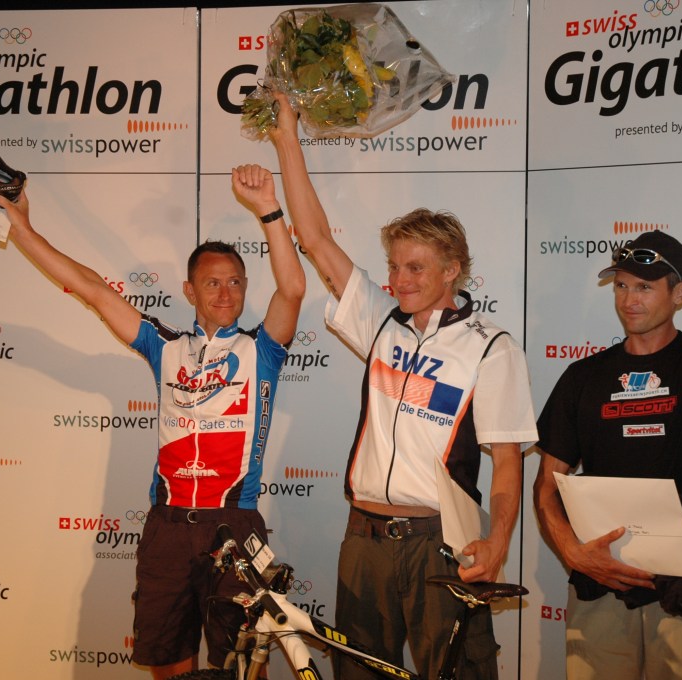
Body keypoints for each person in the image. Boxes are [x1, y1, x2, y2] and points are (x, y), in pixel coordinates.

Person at [263, 92, 538, 680]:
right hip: (363, 538)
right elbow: (314, 238)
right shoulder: (380, 322)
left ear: (451, 270)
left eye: (415, 268)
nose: (399, 280)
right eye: (393, 266)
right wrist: (287, 134)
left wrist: (498, 540)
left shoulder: (492, 347)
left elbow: (507, 461)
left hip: (438, 540)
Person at [0, 164, 305, 679]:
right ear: (189, 291)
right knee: (167, 663)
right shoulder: (165, 347)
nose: (225, 294)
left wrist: (269, 209)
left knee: (244, 667)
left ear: (246, 287)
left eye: (234, 283)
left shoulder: (263, 350)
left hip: (235, 524)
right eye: (211, 283)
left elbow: (292, 289)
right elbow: (93, 290)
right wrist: (25, 232)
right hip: (167, 527)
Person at [532, 70, 682, 680]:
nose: (630, 298)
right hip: (600, 589)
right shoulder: (583, 377)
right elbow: (547, 484)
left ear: (680, 293)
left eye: (644, 286)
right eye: (622, 286)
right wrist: (571, 550)